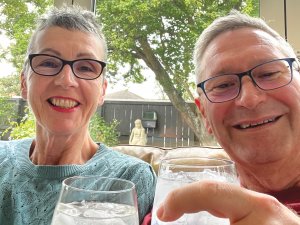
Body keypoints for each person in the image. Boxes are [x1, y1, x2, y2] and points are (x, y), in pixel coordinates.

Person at [0, 6, 156, 225]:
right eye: (48, 63)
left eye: (85, 67)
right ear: (24, 84)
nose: (66, 80)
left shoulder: (129, 179)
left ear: (102, 90)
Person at [157, 10, 300, 224]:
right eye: (223, 85)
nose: (250, 99)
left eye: (269, 73)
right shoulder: (184, 208)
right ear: (204, 114)